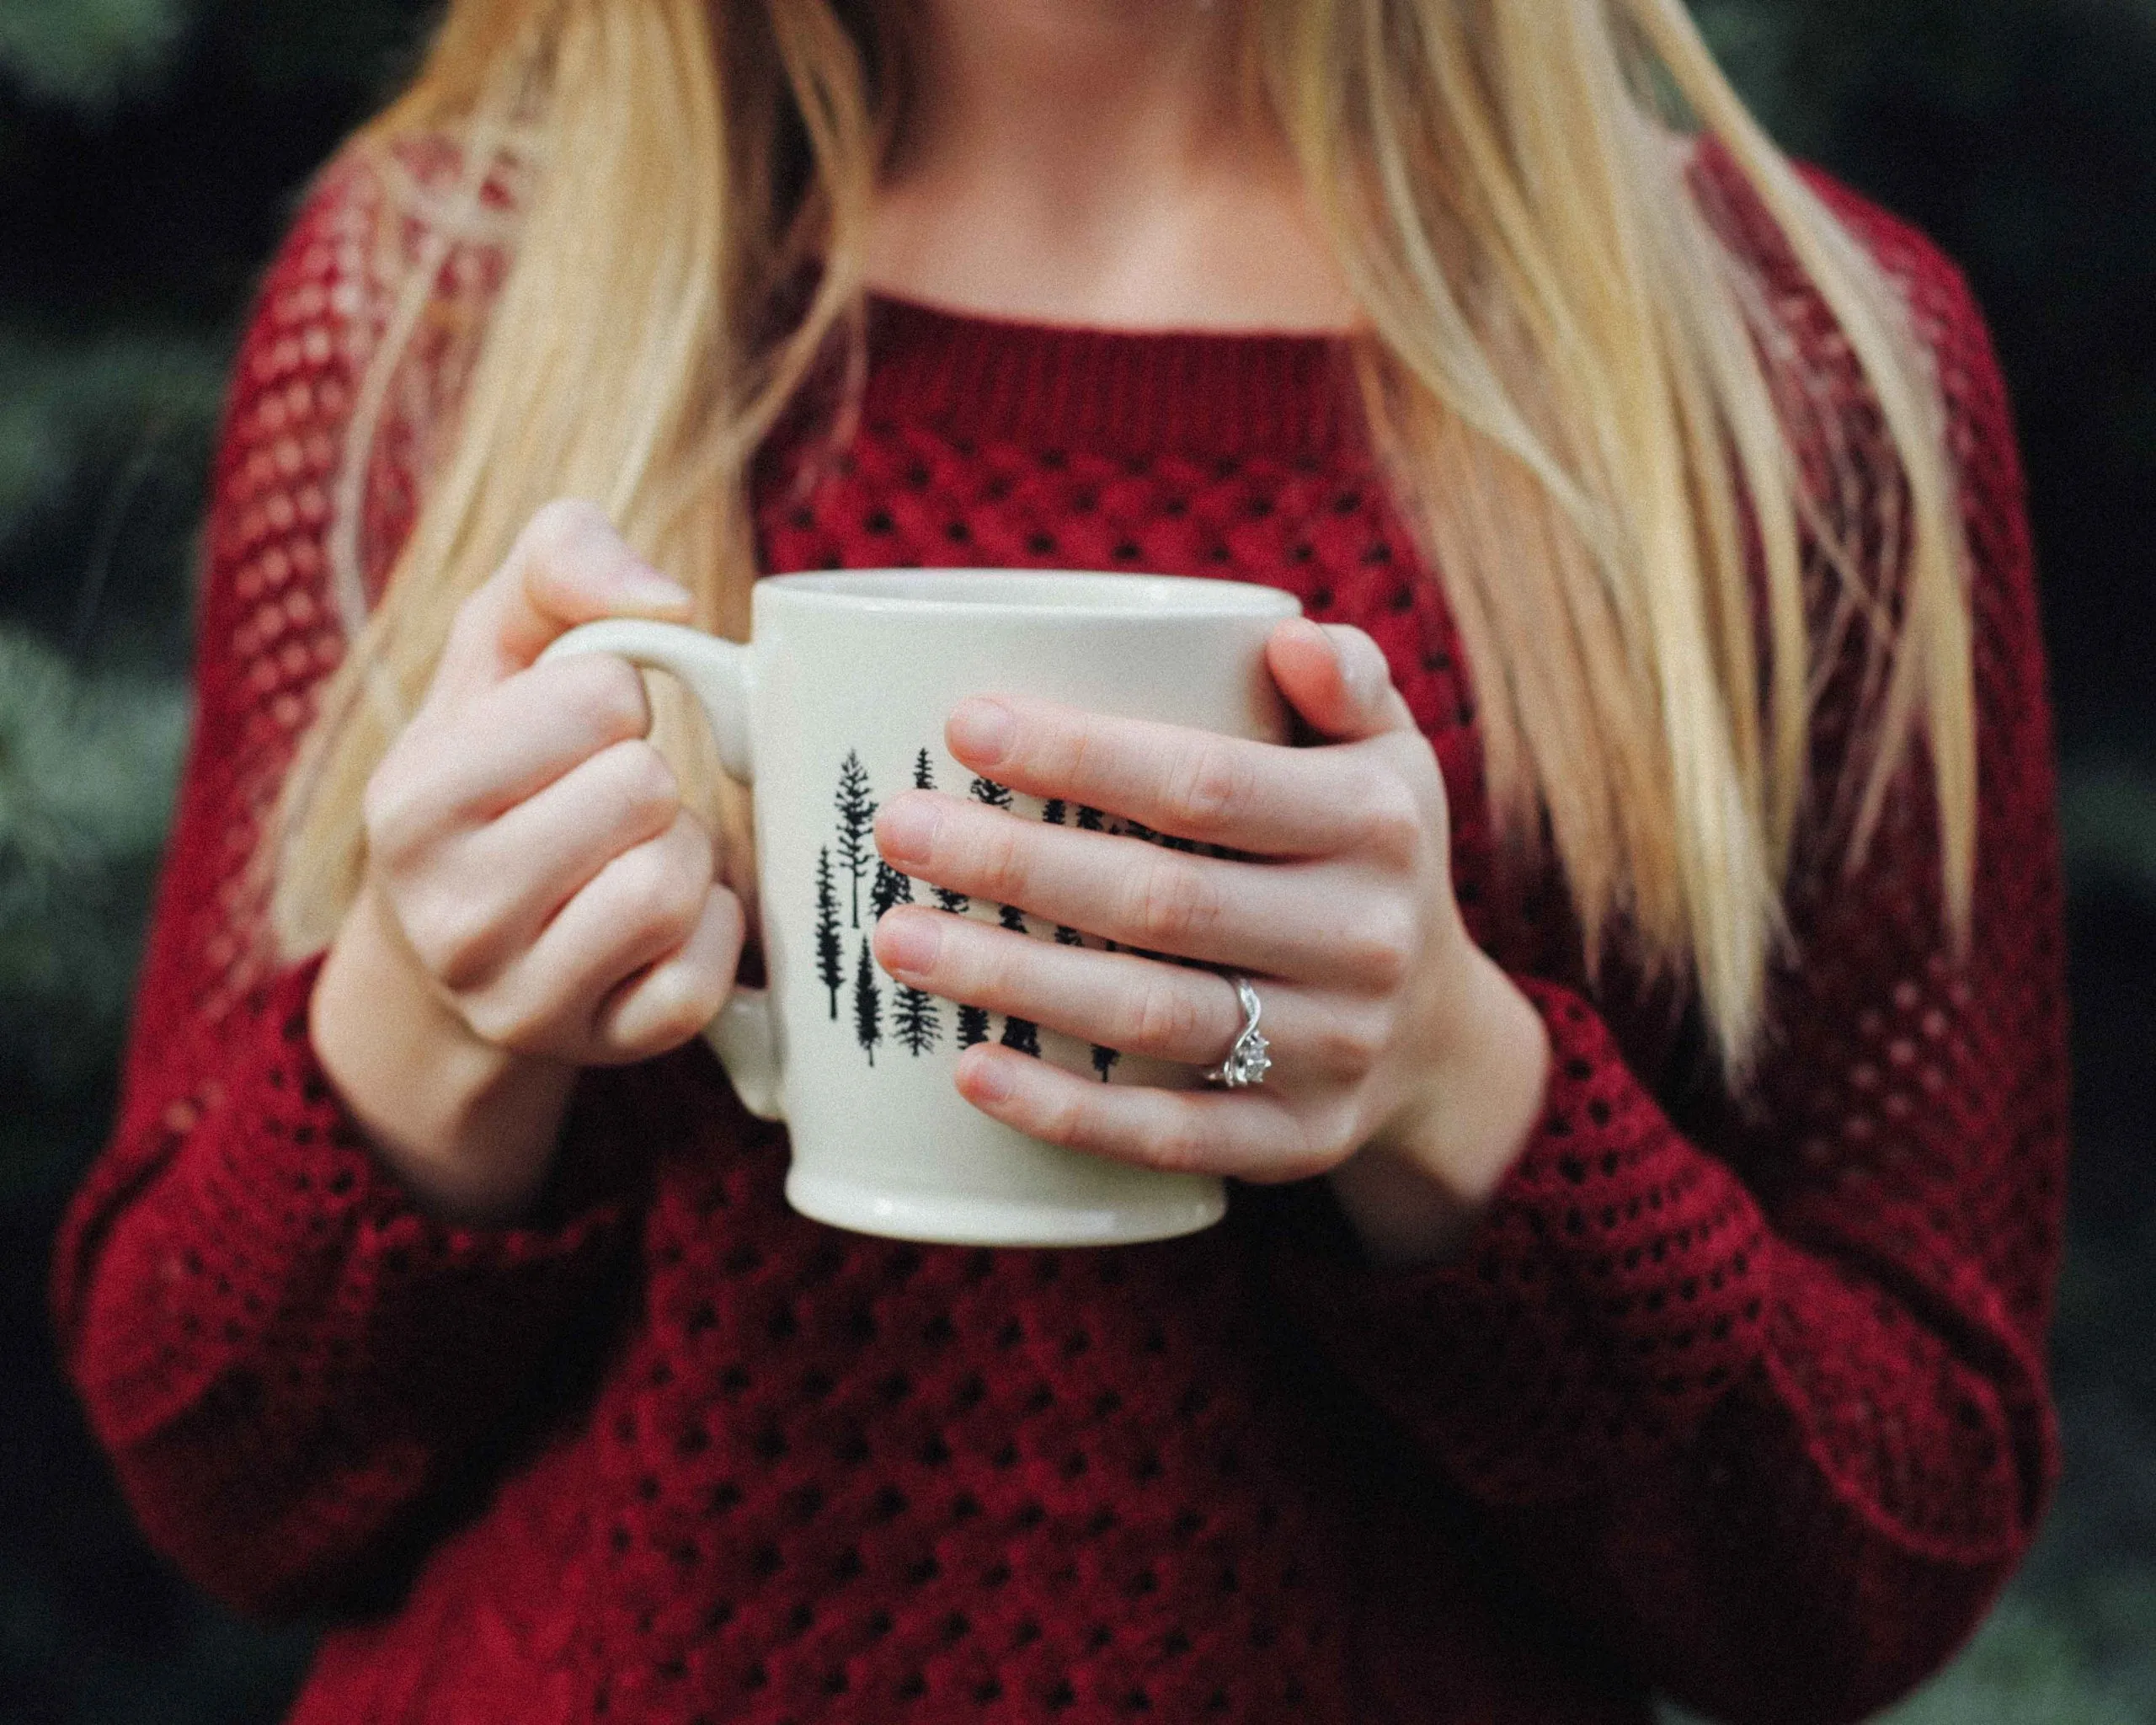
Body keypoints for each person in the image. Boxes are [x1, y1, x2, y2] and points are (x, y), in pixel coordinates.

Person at [55, 1, 2068, 1720]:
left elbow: (1880, 1557)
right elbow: (214, 1466)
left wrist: (1454, 1090)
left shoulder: (1780, 373)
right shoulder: (450, 297)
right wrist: (429, 1030)